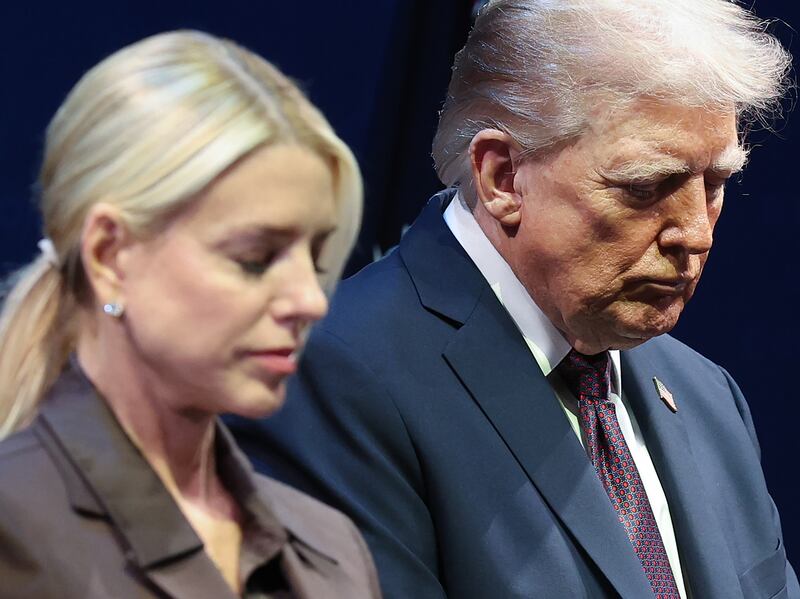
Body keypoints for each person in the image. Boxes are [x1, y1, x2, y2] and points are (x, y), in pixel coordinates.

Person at [228, 1, 799, 598]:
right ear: (502, 178)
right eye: (645, 186)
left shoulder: (710, 399)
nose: (696, 233)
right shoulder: (331, 379)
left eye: (714, 185)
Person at [0, 30, 381, 598]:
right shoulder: (15, 531)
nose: (311, 299)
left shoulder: (333, 550)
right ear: (109, 256)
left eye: (317, 257)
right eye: (255, 259)